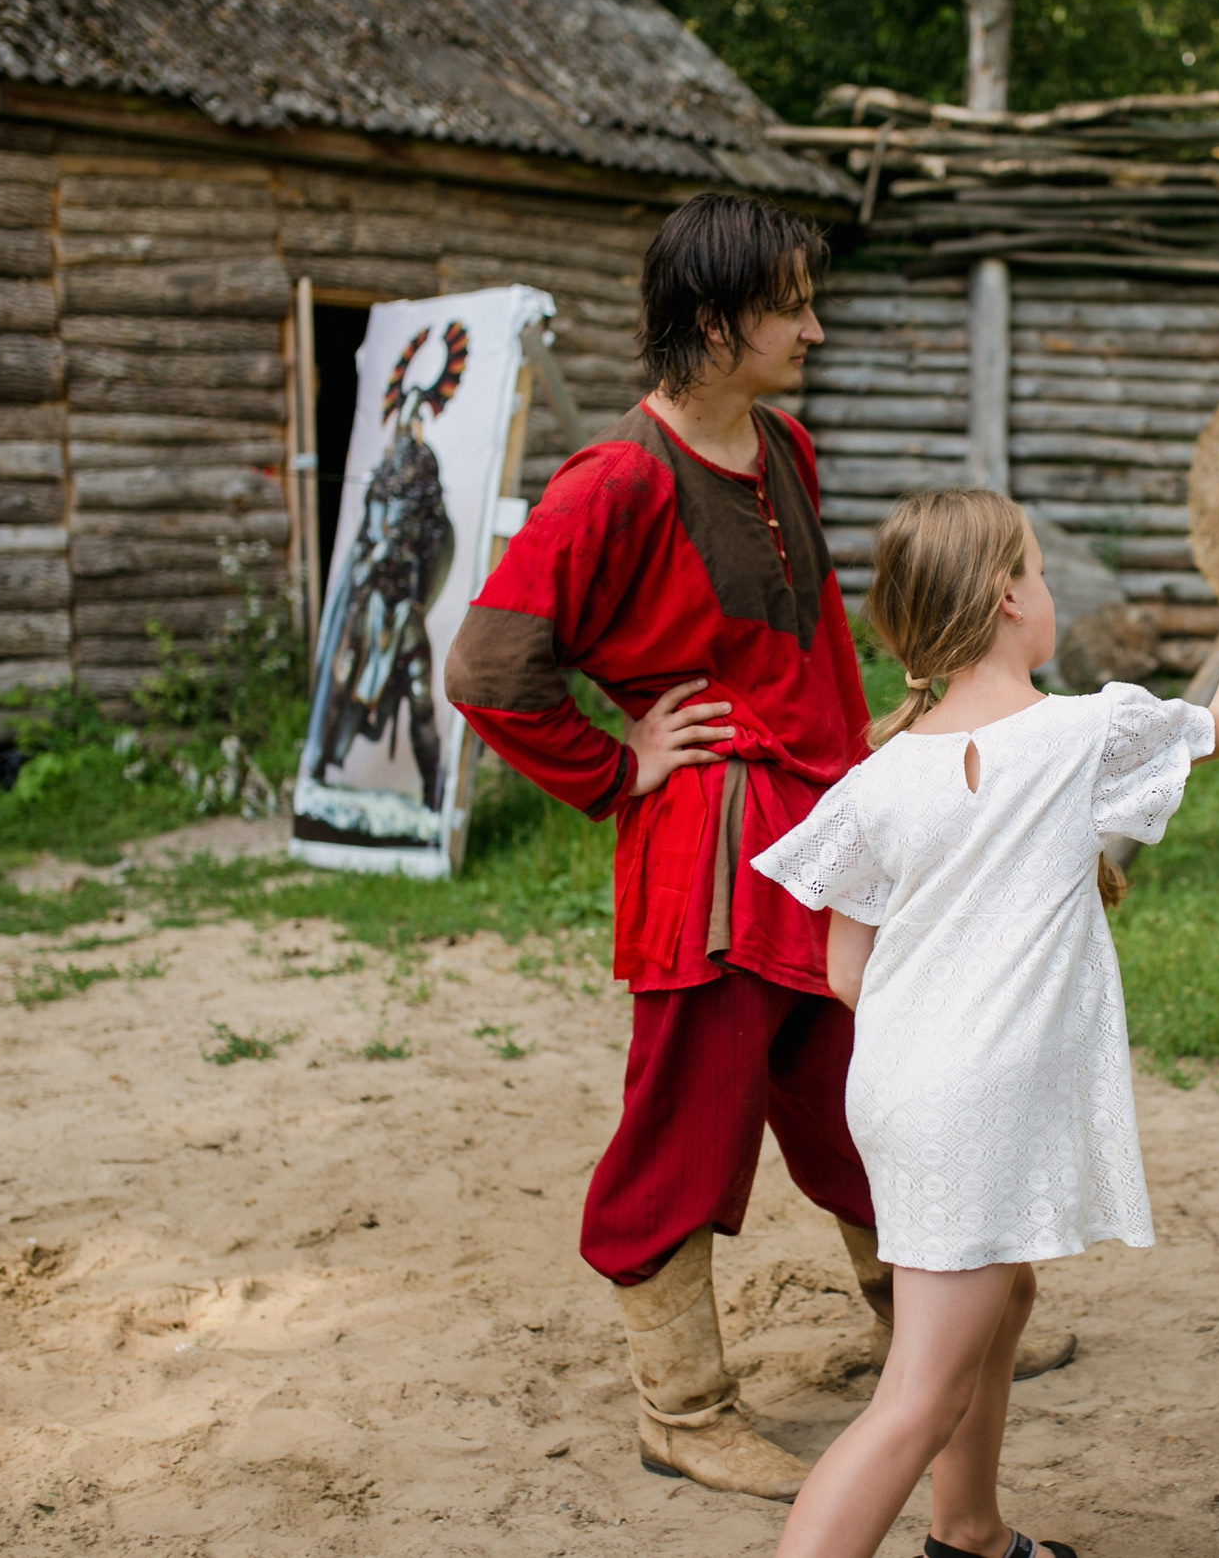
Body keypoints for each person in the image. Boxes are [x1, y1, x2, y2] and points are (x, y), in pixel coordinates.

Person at [443, 193, 1070, 1503]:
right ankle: (681, 1404)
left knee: (865, 1093)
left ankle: (927, 1332)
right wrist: (619, 764)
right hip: (711, 865)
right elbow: (490, 665)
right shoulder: (616, 477)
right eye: (791, 305)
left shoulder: (786, 445)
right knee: (688, 1124)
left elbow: (811, 646)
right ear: (718, 322)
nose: (816, 326)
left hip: (810, 840)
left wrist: (873, 788)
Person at [753, 482, 1219, 1558]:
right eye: (1041, 571)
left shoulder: (880, 778)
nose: (1047, 589)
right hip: (973, 1102)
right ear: (1011, 597)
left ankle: (967, 1534)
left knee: (1000, 1292)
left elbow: (842, 969)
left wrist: (937, 1036)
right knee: (913, 1399)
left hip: (899, 1090)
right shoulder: (1076, 733)